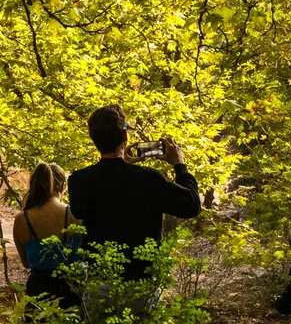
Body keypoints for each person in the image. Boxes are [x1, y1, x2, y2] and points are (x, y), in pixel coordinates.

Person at [68, 105, 201, 281]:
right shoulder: (148, 179)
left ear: (93, 138)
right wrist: (180, 165)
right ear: (124, 135)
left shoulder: (78, 180)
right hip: (141, 283)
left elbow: (79, 210)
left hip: (100, 280)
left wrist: (123, 165)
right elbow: (191, 206)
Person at [11, 162, 82, 307]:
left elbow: (26, 263)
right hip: (72, 287)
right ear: (62, 186)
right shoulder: (74, 215)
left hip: (38, 291)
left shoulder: (22, 219)